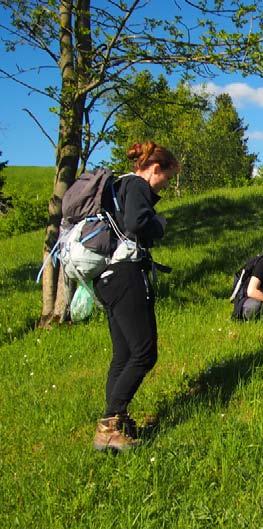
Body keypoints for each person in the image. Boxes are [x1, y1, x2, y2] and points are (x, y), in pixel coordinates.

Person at [92, 141, 179, 451]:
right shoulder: (137, 185)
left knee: (123, 354)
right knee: (144, 353)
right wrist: (160, 224)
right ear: (155, 169)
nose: (164, 185)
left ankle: (117, 421)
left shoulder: (117, 185)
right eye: (166, 178)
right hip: (127, 275)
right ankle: (109, 425)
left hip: (106, 277)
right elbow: (137, 223)